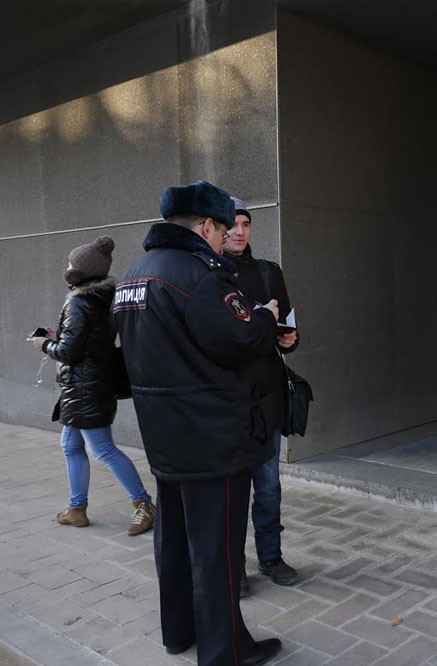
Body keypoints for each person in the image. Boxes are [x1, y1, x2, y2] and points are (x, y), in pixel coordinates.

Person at [113, 180, 282, 665]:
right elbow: (241, 339)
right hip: (214, 438)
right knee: (217, 551)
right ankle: (225, 651)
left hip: (166, 437)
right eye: (223, 227)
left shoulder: (133, 275)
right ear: (206, 225)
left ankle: (179, 633)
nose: (225, 236)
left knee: (174, 543)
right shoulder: (200, 275)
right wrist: (265, 318)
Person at [27, 236, 155, 536]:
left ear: (80, 271)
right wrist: (57, 335)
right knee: (70, 444)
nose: (68, 267)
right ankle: (76, 508)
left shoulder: (78, 303)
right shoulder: (104, 298)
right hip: (91, 385)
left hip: (85, 389)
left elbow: (69, 352)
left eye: (72, 263)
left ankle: (144, 504)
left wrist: (44, 343)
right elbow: (87, 342)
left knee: (103, 449)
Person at [223, 197, 300, 594]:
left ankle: (270, 557)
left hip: (267, 397)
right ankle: (233, 567)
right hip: (228, 401)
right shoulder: (210, 275)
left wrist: (290, 339)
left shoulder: (270, 272)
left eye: (246, 224)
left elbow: (288, 325)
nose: (240, 231)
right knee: (233, 491)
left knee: (268, 485)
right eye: (232, 224)